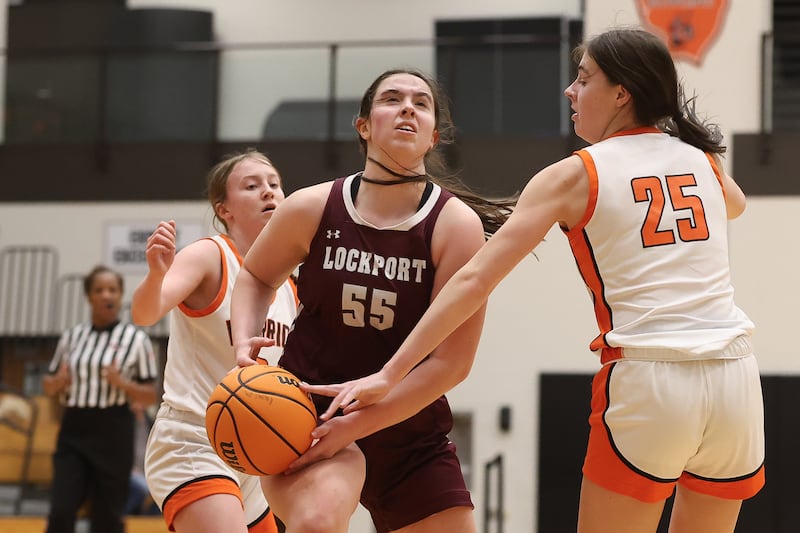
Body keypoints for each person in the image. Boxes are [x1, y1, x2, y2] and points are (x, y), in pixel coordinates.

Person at [305, 29, 766, 533]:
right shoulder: (702, 160)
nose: (570, 90)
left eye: (583, 79)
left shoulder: (574, 174)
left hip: (650, 376)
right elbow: (735, 205)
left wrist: (387, 374)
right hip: (735, 380)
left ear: (622, 93)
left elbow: (474, 279)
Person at [230, 68, 514, 533]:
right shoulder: (313, 206)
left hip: (408, 427)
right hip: (309, 416)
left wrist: (358, 425)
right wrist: (243, 341)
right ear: (364, 125)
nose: (407, 107)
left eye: (421, 103)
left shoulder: (454, 225)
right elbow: (256, 276)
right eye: (392, 99)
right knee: (317, 522)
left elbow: (451, 364)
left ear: (433, 136)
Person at [131, 149, 298, 533]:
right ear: (224, 210)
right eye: (252, 186)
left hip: (257, 453)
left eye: (275, 184)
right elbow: (145, 313)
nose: (268, 192)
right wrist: (156, 275)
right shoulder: (211, 255)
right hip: (194, 439)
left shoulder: (290, 284)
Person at [42, 265, 159, 533]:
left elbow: (150, 393)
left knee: (107, 517)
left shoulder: (136, 339)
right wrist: (57, 383)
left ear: (119, 296)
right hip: (74, 429)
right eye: (99, 290)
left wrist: (123, 384)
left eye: (112, 290)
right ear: (89, 297)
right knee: (61, 510)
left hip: (114, 430)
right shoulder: (72, 337)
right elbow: (48, 386)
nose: (106, 295)